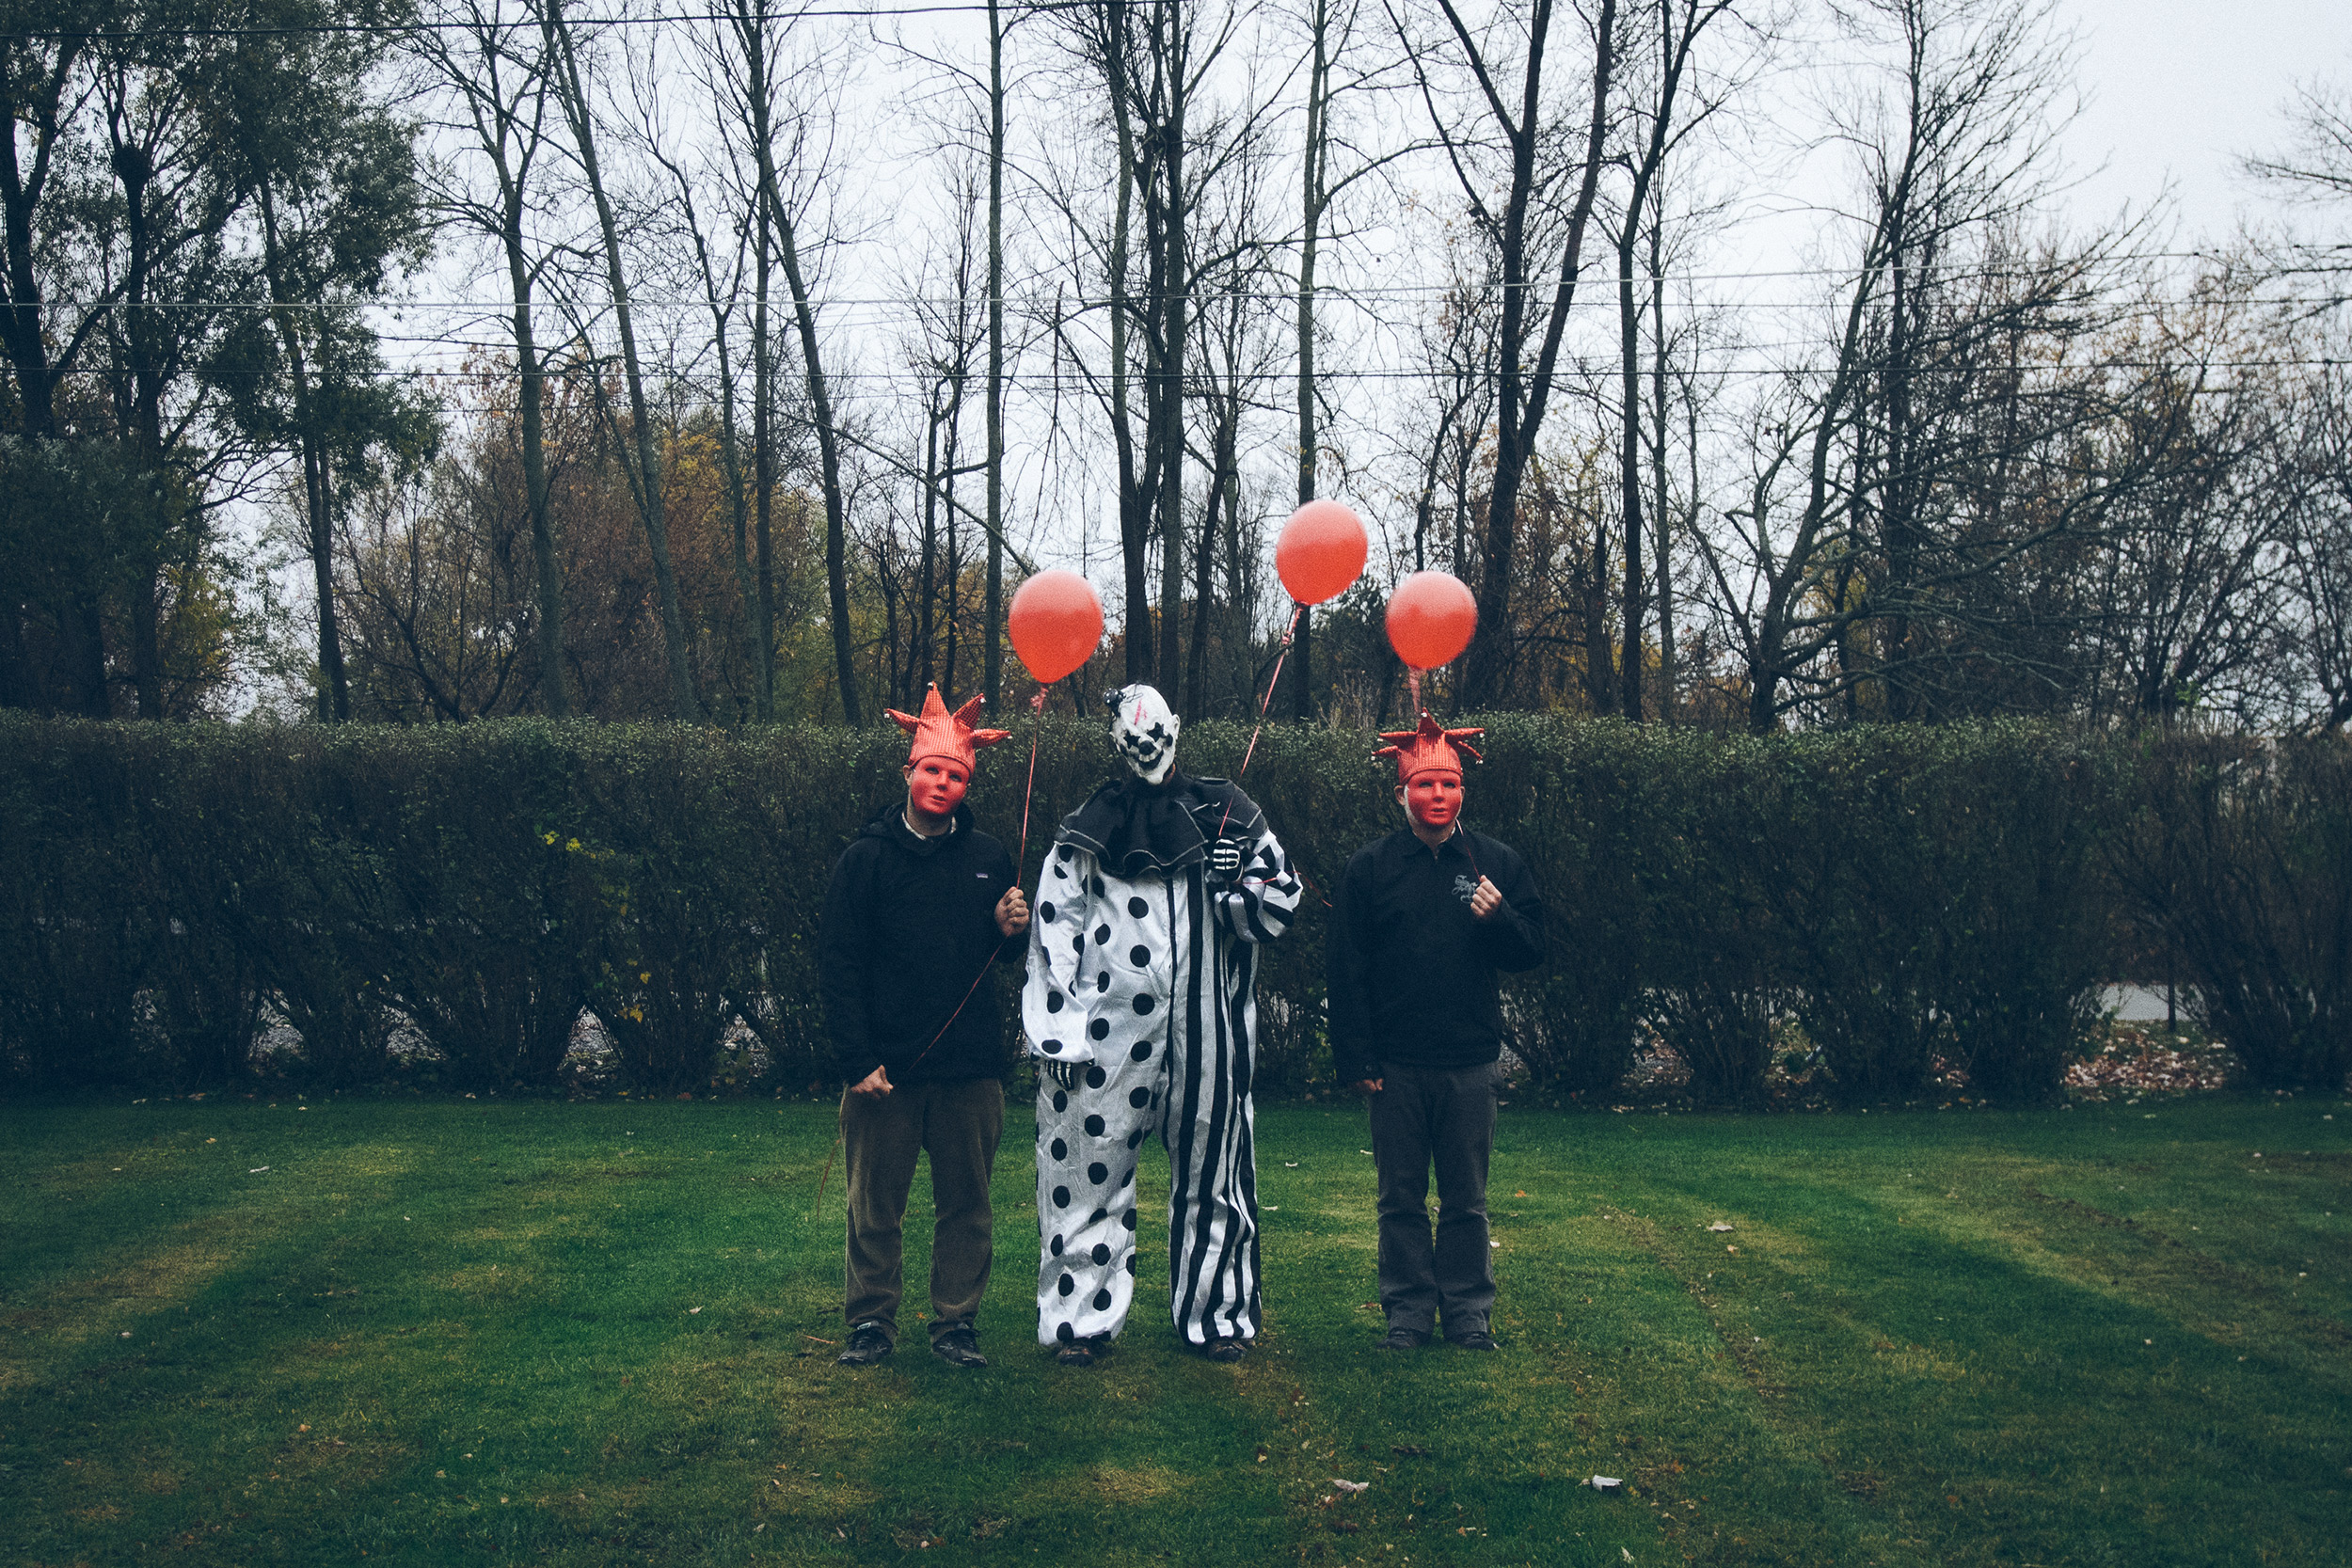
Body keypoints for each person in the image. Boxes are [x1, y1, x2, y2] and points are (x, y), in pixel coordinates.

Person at [1020, 684, 1301, 1367]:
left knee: (1217, 1178)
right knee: (1087, 1174)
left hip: (1210, 1032)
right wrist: (1058, 1028)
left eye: (1155, 729)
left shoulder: (1230, 812)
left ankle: (1219, 1314)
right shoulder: (1088, 825)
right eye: (1130, 734)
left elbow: (1279, 904)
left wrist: (1241, 887)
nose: (1145, 744)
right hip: (1105, 1042)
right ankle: (1080, 1323)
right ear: (1115, 744)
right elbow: (1054, 925)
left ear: (1177, 728)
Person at [819, 685, 1030, 1370]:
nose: (943, 782)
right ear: (909, 771)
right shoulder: (865, 860)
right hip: (885, 1073)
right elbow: (840, 964)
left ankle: (956, 1323)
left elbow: (1011, 956)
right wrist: (857, 1060)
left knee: (965, 1205)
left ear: (967, 784)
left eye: (957, 775)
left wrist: (1012, 930)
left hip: (970, 1068)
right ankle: (871, 1321)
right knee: (873, 1206)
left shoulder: (990, 856)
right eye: (933, 770)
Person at [1327, 711, 1547, 1354]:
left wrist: (1500, 916)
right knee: (1399, 1197)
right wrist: (1358, 1054)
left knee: (1465, 1198)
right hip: (1395, 1064)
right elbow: (1348, 968)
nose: (1437, 796)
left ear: (1462, 793)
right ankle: (1408, 1312)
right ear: (1402, 791)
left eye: (1447, 786)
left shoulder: (1495, 863)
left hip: (1469, 1062)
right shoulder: (1370, 869)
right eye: (1424, 785)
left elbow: (1533, 947)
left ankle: (1469, 1312)